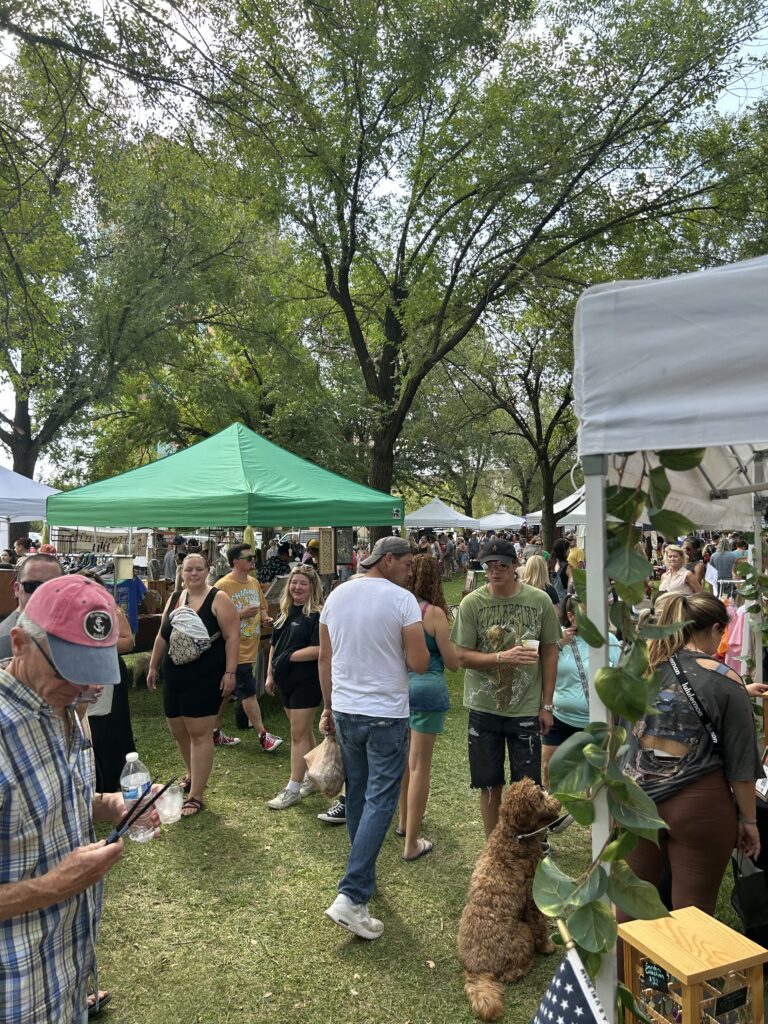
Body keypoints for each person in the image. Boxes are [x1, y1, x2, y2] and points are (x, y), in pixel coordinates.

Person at [0, 575, 156, 1024]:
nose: (82, 689)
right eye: (68, 670)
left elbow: (37, 803)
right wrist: (54, 885)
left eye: (92, 674)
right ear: (18, 643)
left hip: (65, 971)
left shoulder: (58, 706)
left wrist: (106, 805)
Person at [621, 592, 762, 919]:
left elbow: (624, 737)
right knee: (693, 914)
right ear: (714, 628)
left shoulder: (641, 670)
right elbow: (741, 768)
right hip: (700, 804)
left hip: (637, 799)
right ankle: (684, 972)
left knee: (629, 905)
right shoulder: (726, 680)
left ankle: (628, 970)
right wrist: (750, 821)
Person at [318, 536, 429, 940]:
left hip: (347, 710)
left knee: (360, 794)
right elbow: (419, 662)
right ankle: (352, 894)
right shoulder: (402, 601)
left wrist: (328, 706)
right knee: (380, 800)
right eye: (407, 564)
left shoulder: (336, 596)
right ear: (389, 560)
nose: (410, 571)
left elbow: (325, 657)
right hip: (385, 714)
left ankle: (361, 878)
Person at [451, 538, 560, 838]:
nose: (495, 571)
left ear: (515, 566)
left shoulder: (538, 601)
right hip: (484, 708)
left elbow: (551, 650)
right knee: (488, 783)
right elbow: (461, 656)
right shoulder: (472, 603)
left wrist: (547, 704)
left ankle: (530, 842)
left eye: (502, 565)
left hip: (525, 708)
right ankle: (494, 844)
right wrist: (501, 656)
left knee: (527, 786)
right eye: (489, 565)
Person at [146, 553, 241, 816]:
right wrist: (153, 665)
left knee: (200, 734)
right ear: (182, 572)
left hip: (205, 676)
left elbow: (233, 636)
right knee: (179, 731)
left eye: (199, 569)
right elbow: (162, 635)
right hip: (174, 676)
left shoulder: (219, 598)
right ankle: (191, 774)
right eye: (189, 570)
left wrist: (230, 672)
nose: (193, 574)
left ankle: (196, 794)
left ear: (207, 571)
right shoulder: (175, 598)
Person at [396, 554, 459, 861]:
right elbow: (452, 662)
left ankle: (402, 821)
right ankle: (411, 841)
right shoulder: (433, 614)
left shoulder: (399, 607)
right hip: (427, 688)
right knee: (420, 765)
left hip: (398, 690)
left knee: (405, 762)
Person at [541, 596, 621, 789]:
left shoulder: (609, 641)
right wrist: (559, 644)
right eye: (585, 614)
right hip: (560, 719)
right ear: (571, 616)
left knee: (598, 781)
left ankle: (595, 817)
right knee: (549, 773)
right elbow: (538, 667)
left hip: (597, 721)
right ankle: (549, 815)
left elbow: (622, 677)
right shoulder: (557, 638)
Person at [212, 543, 282, 750]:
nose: (253, 560)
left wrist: (265, 618)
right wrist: (239, 615)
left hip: (250, 647)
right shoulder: (222, 586)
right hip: (233, 650)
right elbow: (213, 617)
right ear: (236, 562)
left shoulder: (253, 582)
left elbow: (261, 608)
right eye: (249, 558)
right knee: (248, 692)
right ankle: (263, 736)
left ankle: (213, 732)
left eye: (253, 557)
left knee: (227, 692)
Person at [266, 564, 324, 808]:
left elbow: (320, 649)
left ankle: (293, 787)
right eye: (294, 582)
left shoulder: (317, 615)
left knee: (297, 734)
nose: (297, 587)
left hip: (306, 682)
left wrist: (290, 657)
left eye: (303, 583)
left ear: (312, 588)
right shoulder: (284, 613)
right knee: (302, 731)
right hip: (285, 681)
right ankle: (313, 775)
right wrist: (269, 674)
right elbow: (273, 646)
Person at [0, 553, 63, 660]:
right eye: (32, 586)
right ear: (16, 589)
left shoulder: (64, 629)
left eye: (53, 587)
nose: (42, 594)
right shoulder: (5, 640)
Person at [655, 544, 702, 610]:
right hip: (664, 612)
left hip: (682, 612)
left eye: (675, 556)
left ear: (681, 558)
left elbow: (701, 594)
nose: (672, 559)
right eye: (670, 556)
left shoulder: (687, 575)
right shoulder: (664, 576)